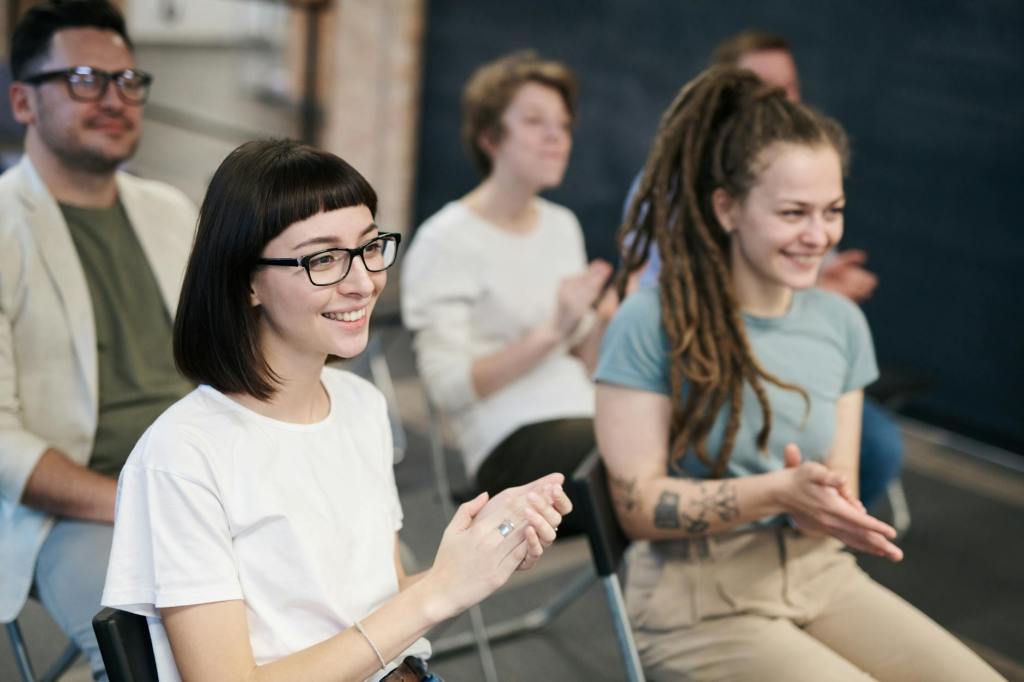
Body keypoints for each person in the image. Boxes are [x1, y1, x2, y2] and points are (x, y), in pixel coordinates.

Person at [101, 139, 572, 682]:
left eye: (370, 247)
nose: (363, 282)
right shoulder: (182, 456)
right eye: (323, 259)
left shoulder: (359, 405)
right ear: (248, 281)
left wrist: (479, 559)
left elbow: (376, 609)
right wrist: (439, 590)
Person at [595, 67, 1003, 680]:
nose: (819, 236)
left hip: (820, 574)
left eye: (832, 211)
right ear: (727, 208)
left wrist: (825, 503)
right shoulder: (650, 320)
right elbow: (638, 507)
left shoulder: (840, 322)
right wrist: (778, 492)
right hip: (697, 605)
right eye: (793, 213)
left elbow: (837, 485)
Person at [625, 29, 902, 509]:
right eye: (793, 213)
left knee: (872, 451)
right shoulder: (677, 193)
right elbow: (658, 290)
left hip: (791, 353)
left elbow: (797, 261)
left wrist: (822, 283)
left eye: (831, 211)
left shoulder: (805, 174)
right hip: (706, 361)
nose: (778, 100)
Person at [0, 2, 196, 678]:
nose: (114, 99)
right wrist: (134, 504)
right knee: (165, 658)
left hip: (197, 482)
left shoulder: (171, 211)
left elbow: (228, 362)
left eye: (127, 80)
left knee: (362, 599)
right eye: (85, 80)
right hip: (69, 512)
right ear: (23, 101)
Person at [402, 52, 613, 531]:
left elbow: (587, 364)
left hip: (586, 416)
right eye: (535, 121)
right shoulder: (446, 240)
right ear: (490, 138)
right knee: (638, 462)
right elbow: (447, 388)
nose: (556, 137)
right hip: (509, 443)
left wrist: (605, 320)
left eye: (563, 124)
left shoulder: (561, 225)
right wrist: (551, 332)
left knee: (678, 439)